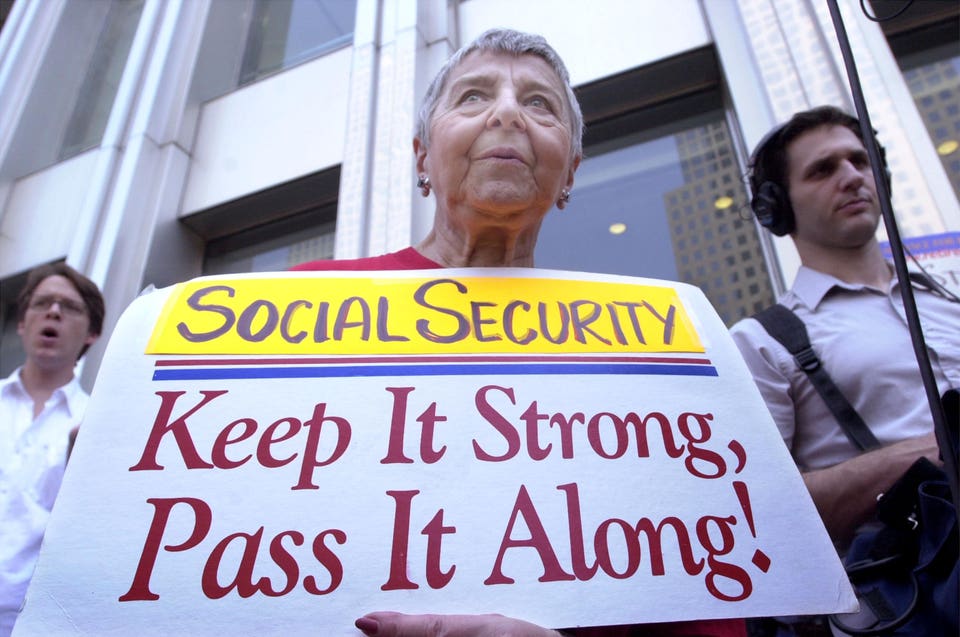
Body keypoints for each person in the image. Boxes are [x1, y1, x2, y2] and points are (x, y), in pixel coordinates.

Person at [295, 28, 745, 637]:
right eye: (474, 97)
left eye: (539, 104)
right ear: (423, 154)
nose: (507, 111)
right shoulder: (306, 306)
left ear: (570, 172)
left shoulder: (649, 345)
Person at [730, 106, 959, 634]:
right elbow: (758, 511)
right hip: (920, 594)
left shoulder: (950, 295)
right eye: (823, 169)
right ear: (776, 209)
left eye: (860, 161)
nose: (852, 176)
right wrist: (937, 449)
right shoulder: (763, 340)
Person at [0, 262, 105, 637]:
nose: (54, 311)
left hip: (33, 625)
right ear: (22, 323)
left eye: (70, 307)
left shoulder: (99, 425)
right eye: (42, 303)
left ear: (92, 333)